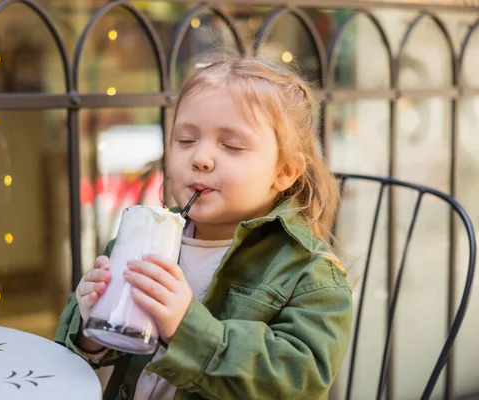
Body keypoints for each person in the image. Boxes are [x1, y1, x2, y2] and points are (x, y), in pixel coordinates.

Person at [55, 56, 353, 400]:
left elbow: (296, 382)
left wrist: (186, 326)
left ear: (284, 171)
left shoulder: (311, 277)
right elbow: (84, 353)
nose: (201, 158)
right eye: (185, 140)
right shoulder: (145, 242)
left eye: (231, 145)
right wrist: (92, 327)